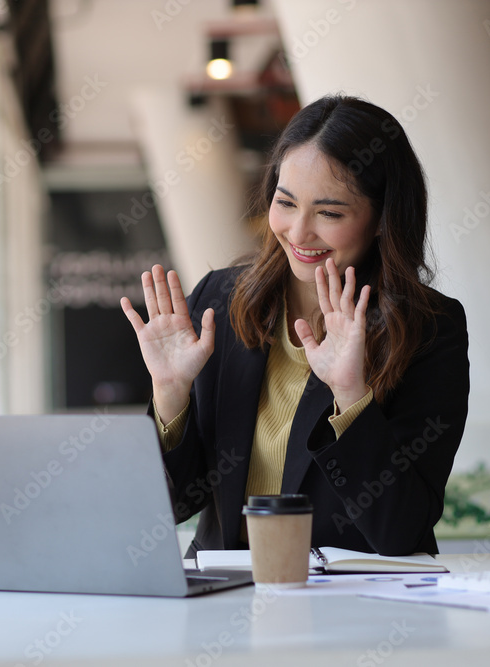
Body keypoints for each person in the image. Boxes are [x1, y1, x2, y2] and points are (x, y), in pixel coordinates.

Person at [120, 94, 469, 558]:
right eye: (285, 203)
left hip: (355, 609)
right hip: (228, 601)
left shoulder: (428, 329)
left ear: (383, 219)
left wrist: (351, 397)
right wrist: (169, 397)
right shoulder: (220, 303)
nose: (299, 232)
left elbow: (399, 532)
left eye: (330, 213)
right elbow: (173, 505)